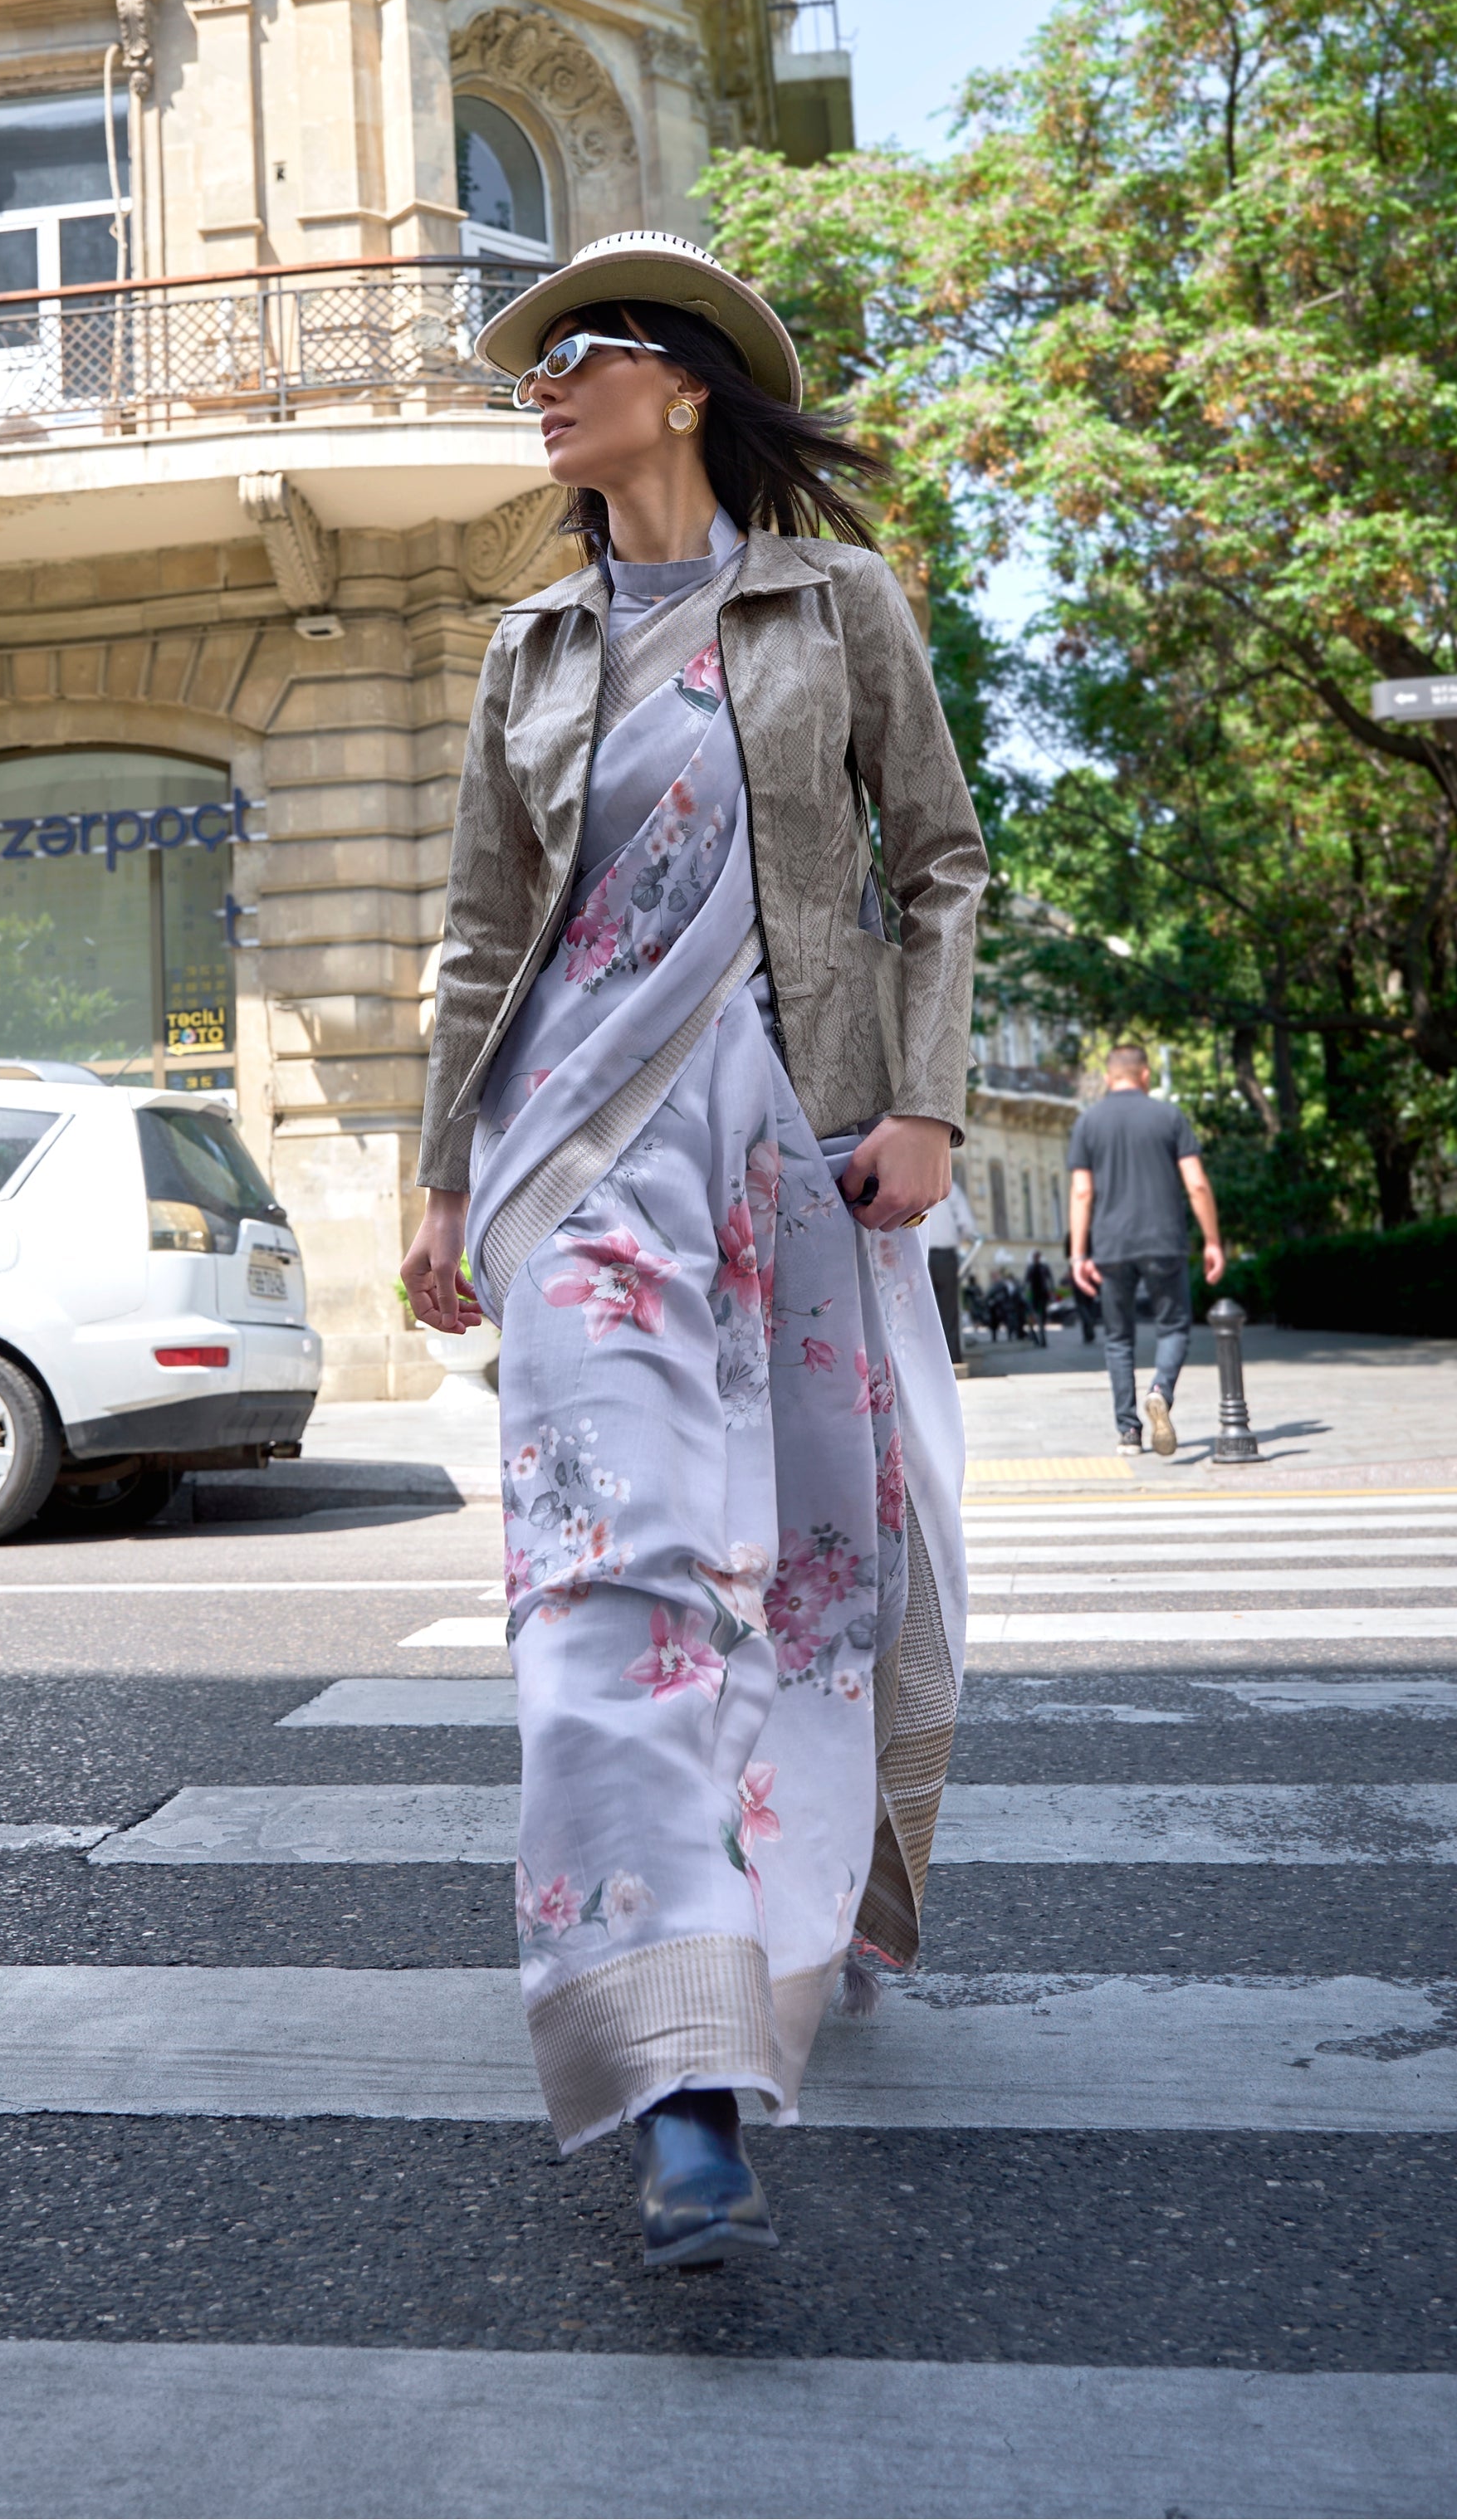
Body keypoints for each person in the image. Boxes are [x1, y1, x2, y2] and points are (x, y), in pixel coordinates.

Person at [402, 230, 986, 2272]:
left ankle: (817, 1907)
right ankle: (679, 2076)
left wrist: (924, 1098)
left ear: (685, 384)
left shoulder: (837, 601)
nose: (543, 387)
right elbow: (483, 936)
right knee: (608, 1583)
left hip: (794, 1152)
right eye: (537, 365)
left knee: (816, 1579)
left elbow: (935, 858)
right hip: (570, 1157)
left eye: (582, 354)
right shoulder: (529, 653)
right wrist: (433, 1172)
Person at [1067, 1045, 1224, 1457]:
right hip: (1164, 1240)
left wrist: (1078, 1254)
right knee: (1173, 1327)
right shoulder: (1169, 1117)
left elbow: (1082, 1192)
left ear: (1108, 1077)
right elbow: (1198, 1184)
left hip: (1110, 1245)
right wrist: (1212, 1241)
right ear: (1146, 1076)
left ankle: (1129, 1433)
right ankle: (1160, 1390)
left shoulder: (1088, 1122)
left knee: (1118, 1339)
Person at [917, 1175, 978, 1361]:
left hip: (920, 1255)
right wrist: (958, 1239)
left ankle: (927, 1361)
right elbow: (967, 1226)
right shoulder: (950, 1187)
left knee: (922, 1310)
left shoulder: (914, 1181)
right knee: (949, 1311)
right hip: (945, 1256)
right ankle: (952, 1358)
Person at [1024, 1250, 1054, 1346]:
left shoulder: (1044, 1267)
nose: (1037, 1258)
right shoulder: (1031, 1268)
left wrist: (1052, 1291)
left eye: (1038, 1256)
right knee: (1033, 1317)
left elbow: (1050, 1279)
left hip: (1043, 1294)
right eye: (1035, 1257)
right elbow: (1026, 1281)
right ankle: (1036, 1337)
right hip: (1034, 1295)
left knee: (1042, 1317)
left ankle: (1042, 1338)